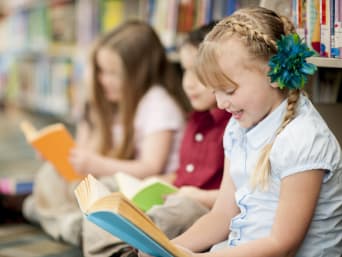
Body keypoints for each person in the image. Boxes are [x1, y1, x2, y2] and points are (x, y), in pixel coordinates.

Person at [141, 7, 342, 257]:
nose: (221, 103)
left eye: (229, 90)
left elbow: (282, 243)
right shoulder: (238, 127)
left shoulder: (303, 138)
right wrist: (168, 248)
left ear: (272, 73)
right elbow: (223, 215)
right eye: (214, 91)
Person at [22, 20, 189, 246]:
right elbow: (91, 154)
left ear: (139, 73)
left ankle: (66, 222)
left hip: (146, 191)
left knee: (42, 203)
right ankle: (70, 222)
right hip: (115, 183)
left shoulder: (158, 104)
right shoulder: (114, 102)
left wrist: (95, 164)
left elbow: (150, 168)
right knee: (50, 174)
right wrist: (59, 156)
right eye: (101, 71)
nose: (103, 80)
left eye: (113, 73)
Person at [82, 22, 232, 257]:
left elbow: (233, 197)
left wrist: (194, 195)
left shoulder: (232, 125)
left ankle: (116, 248)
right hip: (177, 195)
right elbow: (184, 173)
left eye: (199, 73)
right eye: (185, 71)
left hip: (202, 207)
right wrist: (154, 183)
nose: (188, 83)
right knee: (109, 191)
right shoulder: (194, 120)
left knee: (173, 212)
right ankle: (111, 246)